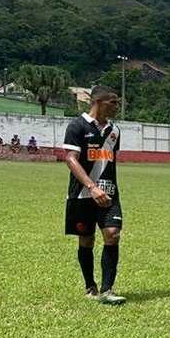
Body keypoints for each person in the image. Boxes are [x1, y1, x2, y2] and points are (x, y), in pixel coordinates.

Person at [63, 85, 125, 305]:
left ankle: (108, 290)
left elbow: (107, 161)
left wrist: (103, 187)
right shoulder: (77, 126)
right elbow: (71, 159)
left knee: (112, 233)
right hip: (82, 194)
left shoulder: (114, 131)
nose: (117, 106)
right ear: (98, 101)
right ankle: (91, 287)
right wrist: (91, 186)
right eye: (113, 102)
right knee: (86, 239)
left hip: (109, 194)